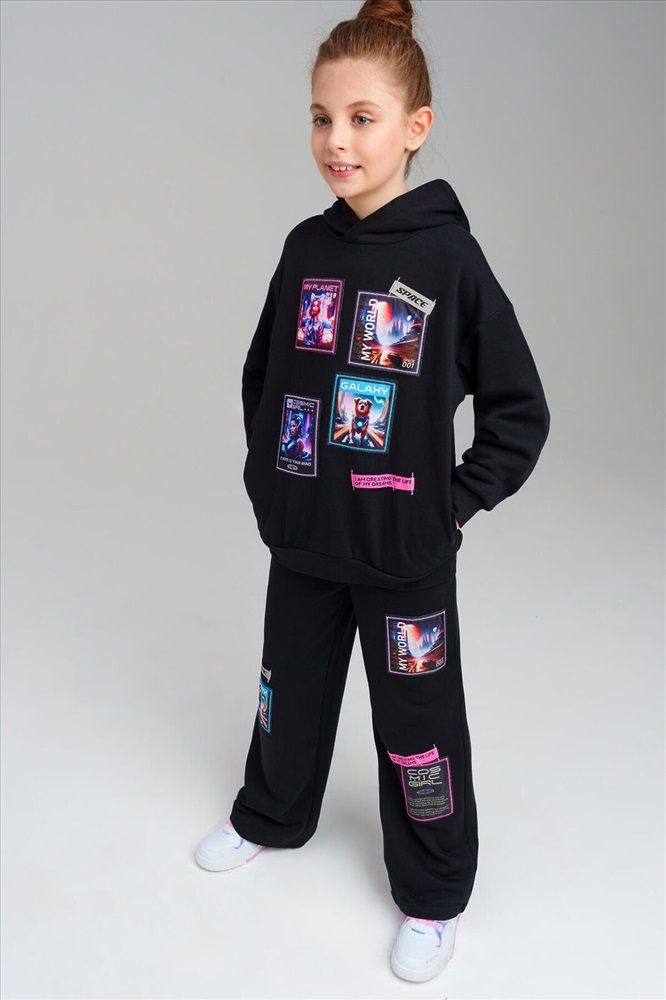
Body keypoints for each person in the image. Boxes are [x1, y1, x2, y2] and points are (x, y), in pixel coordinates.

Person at [195, 0, 550, 984]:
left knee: (418, 732)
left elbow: (520, 410)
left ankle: (433, 893)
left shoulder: (448, 259)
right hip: (305, 544)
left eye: (361, 118)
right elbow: (264, 375)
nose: (336, 142)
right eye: (321, 118)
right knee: (286, 698)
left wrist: (451, 501)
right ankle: (271, 815)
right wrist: (275, 482)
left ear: (415, 127)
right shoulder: (305, 248)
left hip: (404, 557)